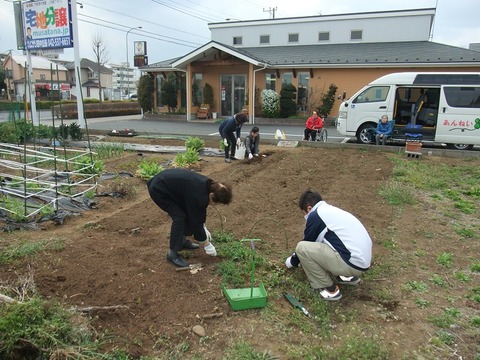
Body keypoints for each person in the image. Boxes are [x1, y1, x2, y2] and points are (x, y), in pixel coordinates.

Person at [285, 190, 372, 301]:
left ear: (309, 208)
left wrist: (292, 262)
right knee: (330, 243)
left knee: (302, 248)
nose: (306, 216)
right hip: (362, 261)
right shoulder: (331, 211)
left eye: (305, 213)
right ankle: (347, 276)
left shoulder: (316, 215)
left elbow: (308, 242)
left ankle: (331, 290)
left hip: (351, 262)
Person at [147, 168, 233, 267]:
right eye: (216, 203)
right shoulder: (198, 194)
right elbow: (195, 221)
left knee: (186, 212)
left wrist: (203, 227)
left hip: (167, 184)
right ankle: (172, 254)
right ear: (211, 195)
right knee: (179, 217)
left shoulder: (208, 185)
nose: (215, 205)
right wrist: (206, 244)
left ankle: (182, 241)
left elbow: (197, 213)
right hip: (159, 189)